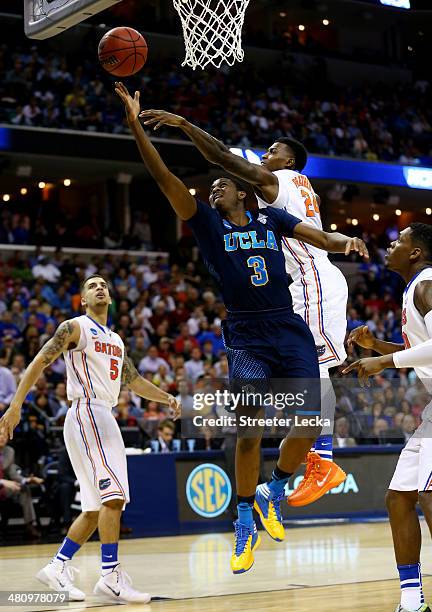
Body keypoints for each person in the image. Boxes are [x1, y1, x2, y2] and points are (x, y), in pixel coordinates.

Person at [115, 82, 368, 574]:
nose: (216, 185)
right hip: (248, 334)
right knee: (249, 431)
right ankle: (244, 518)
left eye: (223, 182)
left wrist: (345, 240)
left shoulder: (271, 215)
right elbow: (164, 176)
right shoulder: (209, 225)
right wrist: (134, 129)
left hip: (289, 325)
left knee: (311, 417)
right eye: (212, 185)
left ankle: (277, 488)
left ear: (245, 190)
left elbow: (318, 235)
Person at [140, 108, 348, 507]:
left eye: (271, 151)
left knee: (316, 368)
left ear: (288, 161)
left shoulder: (277, 181)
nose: (264, 156)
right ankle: (290, 474)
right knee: (296, 381)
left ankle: (323, 459)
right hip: (299, 286)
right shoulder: (288, 194)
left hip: (311, 280)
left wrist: (185, 124)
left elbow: (221, 155)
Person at [0, 274, 180, 603]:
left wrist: (166, 397)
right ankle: (110, 576)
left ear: (110, 298)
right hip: (87, 413)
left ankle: (57, 567)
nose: (99, 289)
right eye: (91, 286)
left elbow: (134, 381)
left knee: (97, 508)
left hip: (102, 416)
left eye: (103, 286)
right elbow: (40, 361)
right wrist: (15, 407)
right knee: (113, 497)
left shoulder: (115, 339)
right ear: (83, 299)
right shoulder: (75, 327)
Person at [344, 223, 432, 612]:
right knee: (399, 497)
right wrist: (377, 347)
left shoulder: (428, 285)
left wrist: (384, 360)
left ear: (415, 253)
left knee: (429, 496)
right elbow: (423, 348)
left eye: (400, 241)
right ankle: (412, 600)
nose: (391, 245)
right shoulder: (415, 288)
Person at [0, 429, 43, 539]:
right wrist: (3, 482)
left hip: (4, 487)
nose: (3, 437)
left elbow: (12, 473)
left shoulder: (9, 451)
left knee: (24, 489)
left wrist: (27, 480)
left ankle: (29, 525)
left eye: (5, 435)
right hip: (3, 483)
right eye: (0, 434)